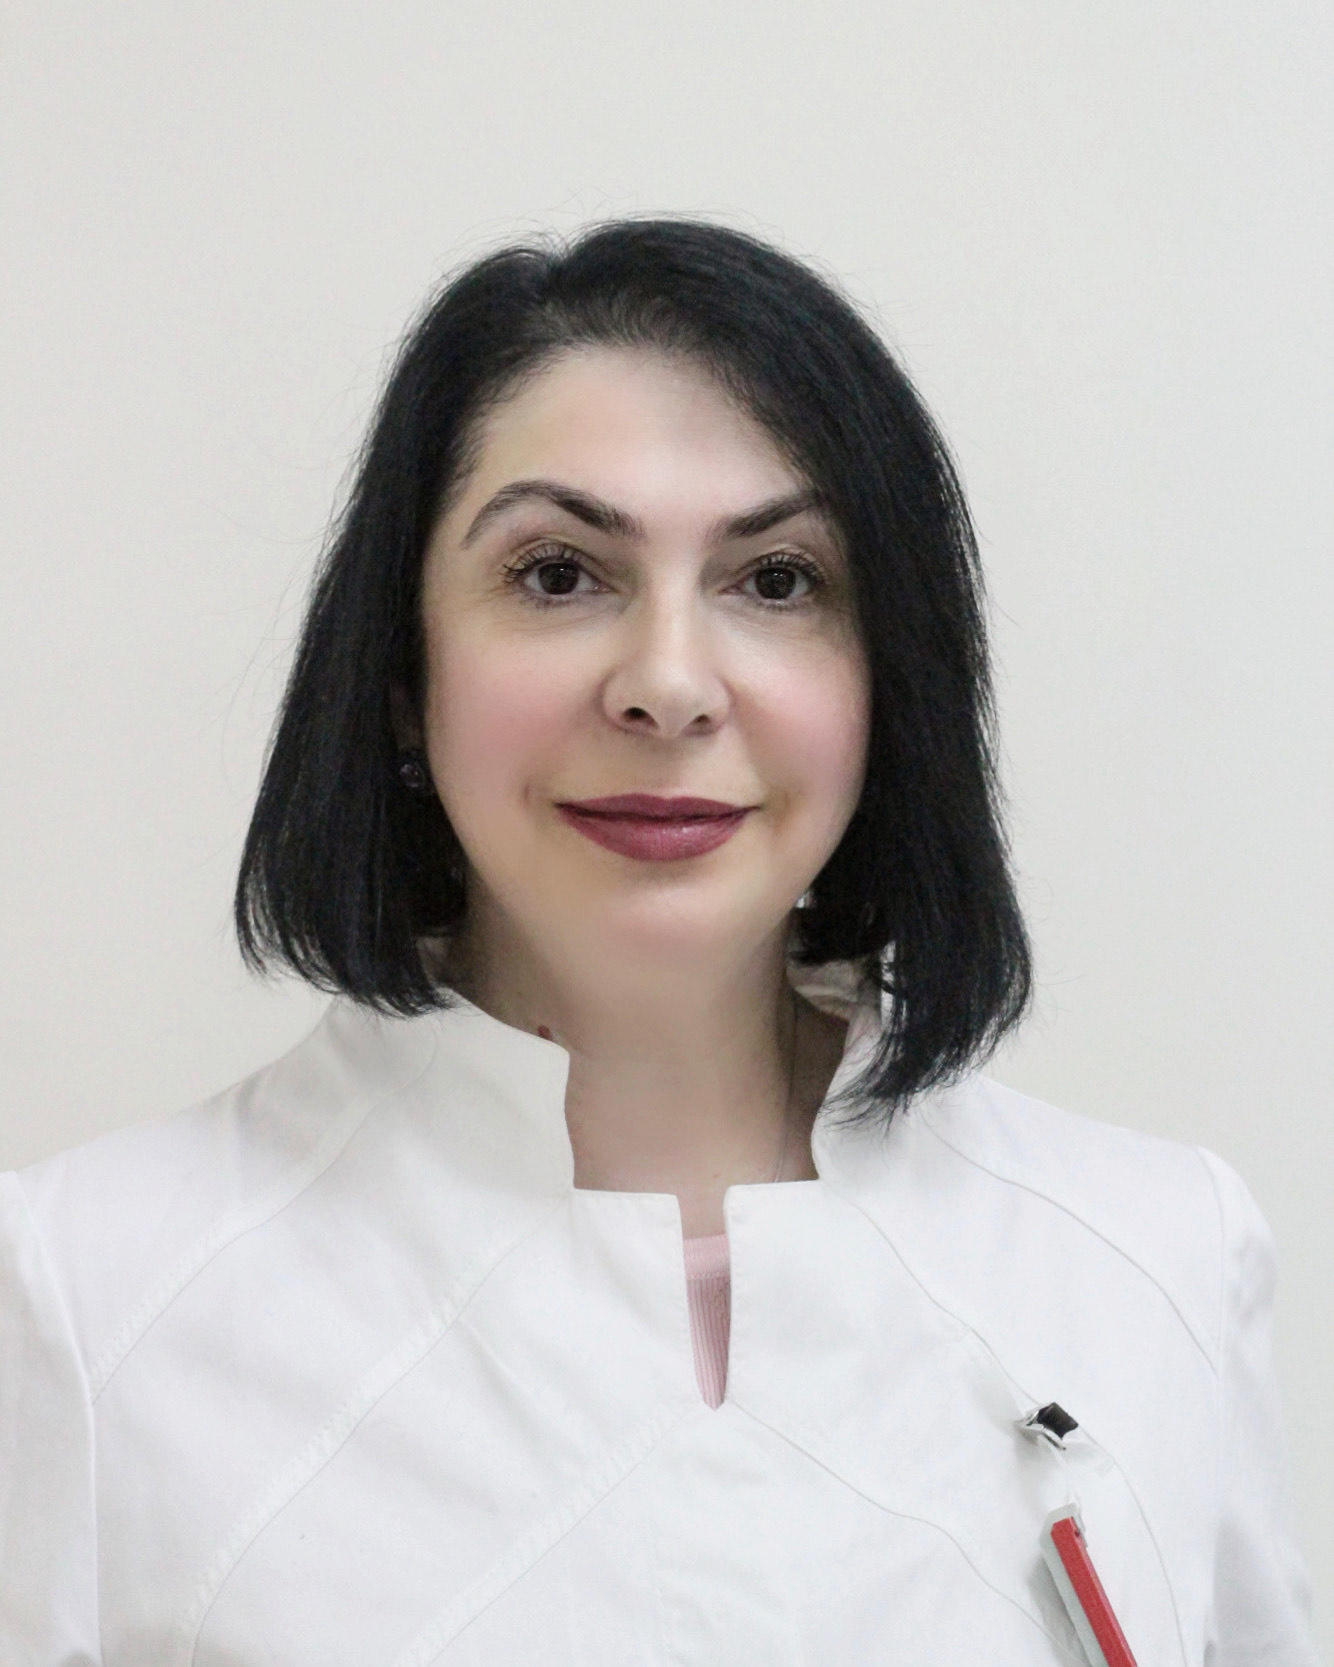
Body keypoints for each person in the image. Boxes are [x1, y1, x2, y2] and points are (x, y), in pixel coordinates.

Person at [0, 218, 1317, 1666]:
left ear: (890, 686)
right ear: (400, 674)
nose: (670, 685)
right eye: (558, 574)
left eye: (777, 580)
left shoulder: (1157, 1259)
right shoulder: (85, 1296)